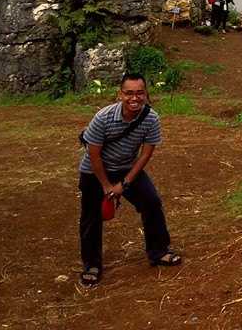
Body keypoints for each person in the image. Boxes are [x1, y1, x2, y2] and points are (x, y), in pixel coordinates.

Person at [78, 73, 181, 287]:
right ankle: (92, 264)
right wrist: (107, 187)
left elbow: (145, 155)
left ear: (146, 94)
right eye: (129, 93)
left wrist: (123, 185)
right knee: (91, 216)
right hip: (95, 172)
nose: (134, 98)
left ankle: (159, 251)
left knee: (151, 203)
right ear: (120, 94)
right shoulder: (103, 117)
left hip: (126, 168)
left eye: (140, 93)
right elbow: (93, 155)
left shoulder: (151, 118)